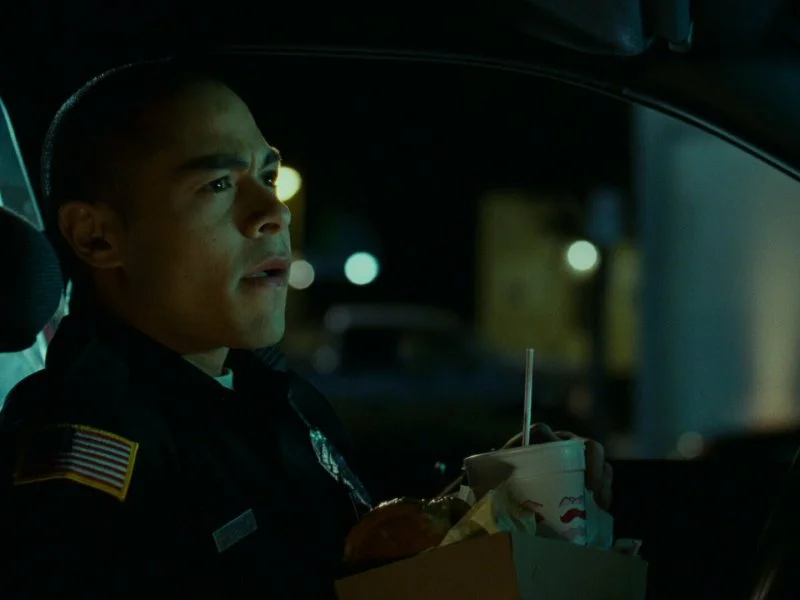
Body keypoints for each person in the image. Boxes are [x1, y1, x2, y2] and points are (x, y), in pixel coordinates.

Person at [0, 59, 612, 598]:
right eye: (218, 185)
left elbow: (338, 554)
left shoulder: (277, 398)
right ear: (97, 237)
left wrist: (480, 507)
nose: (273, 212)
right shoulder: (91, 449)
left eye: (267, 177)